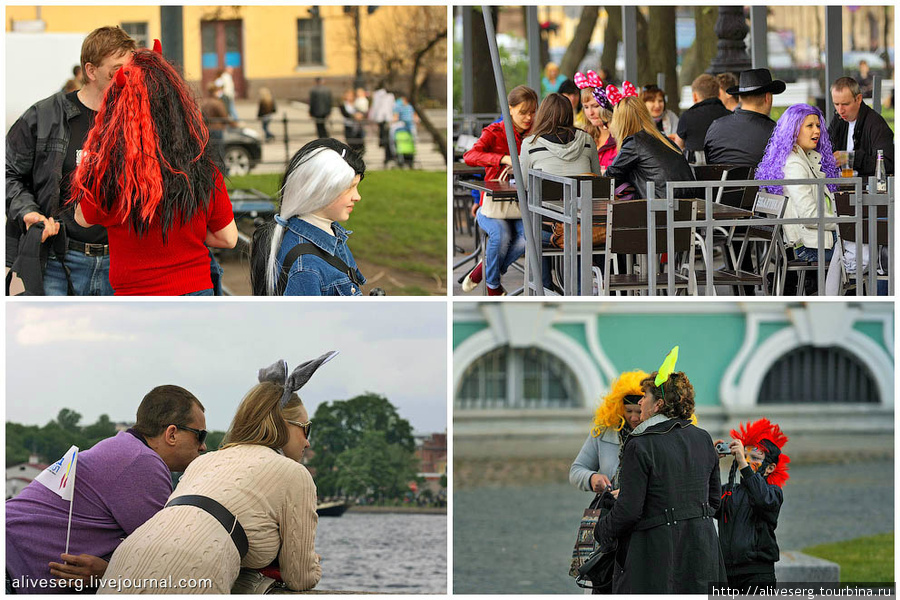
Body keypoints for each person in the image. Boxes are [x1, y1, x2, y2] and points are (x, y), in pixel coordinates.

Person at [99, 355, 330, 594]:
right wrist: (309, 561)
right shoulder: (295, 474)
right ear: (282, 424)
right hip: (193, 573)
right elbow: (300, 577)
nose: (307, 442)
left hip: (125, 564)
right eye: (306, 428)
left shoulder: (204, 462)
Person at [6, 386, 207, 593]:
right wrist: (109, 573)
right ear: (171, 434)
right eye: (200, 436)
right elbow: (167, 560)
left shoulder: (125, 448)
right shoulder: (142, 462)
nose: (203, 447)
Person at [71, 46, 238, 296]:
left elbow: (82, 218)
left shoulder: (107, 171)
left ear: (117, 111)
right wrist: (183, 229)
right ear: (177, 104)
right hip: (195, 293)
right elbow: (228, 239)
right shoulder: (200, 165)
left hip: (135, 301)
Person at [6, 26, 137, 296]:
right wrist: (27, 211)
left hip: (122, 262)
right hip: (59, 261)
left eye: (131, 69)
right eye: (116, 70)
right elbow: (9, 172)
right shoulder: (44, 117)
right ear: (90, 71)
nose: (126, 77)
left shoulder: (137, 120)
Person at [594, 357, 726, 593]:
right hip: (702, 552)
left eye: (645, 397)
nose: (641, 401)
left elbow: (629, 512)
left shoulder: (641, 445)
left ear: (658, 405)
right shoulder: (703, 437)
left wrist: (601, 529)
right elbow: (714, 500)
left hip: (655, 556)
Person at [250, 138, 366, 296]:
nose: (357, 197)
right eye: (349, 187)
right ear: (319, 190)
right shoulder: (306, 268)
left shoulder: (330, 234)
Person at [755, 103, 842, 295]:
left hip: (814, 239)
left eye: (818, 126)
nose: (817, 131)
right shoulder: (794, 163)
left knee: (865, 246)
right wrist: (844, 224)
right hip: (809, 245)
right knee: (867, 245)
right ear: (794, 130)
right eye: (809, 126)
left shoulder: (804, 157)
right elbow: (810, 216)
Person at [461, 85, 537, 296]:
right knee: (501, 235)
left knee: (528, 238)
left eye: (532, 112)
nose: (529, 117)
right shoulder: (495, 131)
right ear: (509, 109)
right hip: (493, 204)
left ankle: (484, 269)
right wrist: (502, 159)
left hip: (522, 204)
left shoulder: (536, 135)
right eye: (523, 112)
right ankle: (493, 285)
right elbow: (470, 156)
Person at [714, 418, 790, 593]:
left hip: (757, 573)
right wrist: (712, 463)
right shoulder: (729, 491)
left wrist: (743, 463)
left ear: (770, 468)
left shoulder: (773, 492)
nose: (746, 461)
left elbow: (762, 499)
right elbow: (707, 502)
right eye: (745, 455)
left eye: (754, 458)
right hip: (726, 573)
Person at [569, 370, 648, 496]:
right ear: (619, 408)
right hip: (610, 511)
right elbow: (576, 470)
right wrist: (592, 478)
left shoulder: (659, 433)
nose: (633, 417)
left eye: (639, 412)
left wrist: (630, 495)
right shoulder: (603, 431)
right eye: (628, 411)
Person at [607, 96, 696, 200]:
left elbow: (610, 178)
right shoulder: (662, 138)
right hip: (688, 204)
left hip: (662, 207)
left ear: (619, 121)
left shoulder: (634, 142)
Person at [704, 68, 785, 167]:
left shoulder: (715, 127)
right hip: (760, 183)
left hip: (721, 182)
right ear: (767, 98)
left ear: (740, 97)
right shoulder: (776, 133)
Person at [520, 93, 600, 189]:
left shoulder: (531, 144)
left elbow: (523, 186)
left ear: (542, 114)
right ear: (569, 113)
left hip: (544, 203)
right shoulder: (587, 140)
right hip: (583, 202)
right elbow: (598, 180)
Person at [827, 77, 894, 178]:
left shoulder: (876, 124)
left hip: (867, 190)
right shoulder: (838, 119)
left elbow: (888, 164)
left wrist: (852, 158)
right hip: (843, 186)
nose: (840, 110)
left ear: (858, 99)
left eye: (845, 104)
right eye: (836, 104)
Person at [674, 74, 731, 159]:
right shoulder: (730, 115)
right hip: (724, 169)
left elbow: (678, 148)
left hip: (695, 169)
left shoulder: (687, 116)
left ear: (695, 96)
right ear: (719, 94)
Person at [579, 80, 617, 172]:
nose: (590, 113)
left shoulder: (621, 136)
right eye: (586, 107)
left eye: (595, 106)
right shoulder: (583, 136)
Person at [369, 82, 396, 167]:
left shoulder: (383, 95)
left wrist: (373, 117)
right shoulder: (386, 96)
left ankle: (389, 157)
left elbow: (375, 107)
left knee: (386, 138)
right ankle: (388, 157)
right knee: (386, 138)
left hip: (384, 119)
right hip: (385, 119)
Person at [341, 89, 366, 156]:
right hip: (349, 125)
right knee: (351, 143)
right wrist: (354, 116)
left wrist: (360, 115)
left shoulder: (356, 103)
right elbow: (345, 113)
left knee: (359, 143)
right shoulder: (344, 105)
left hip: (357, 126)